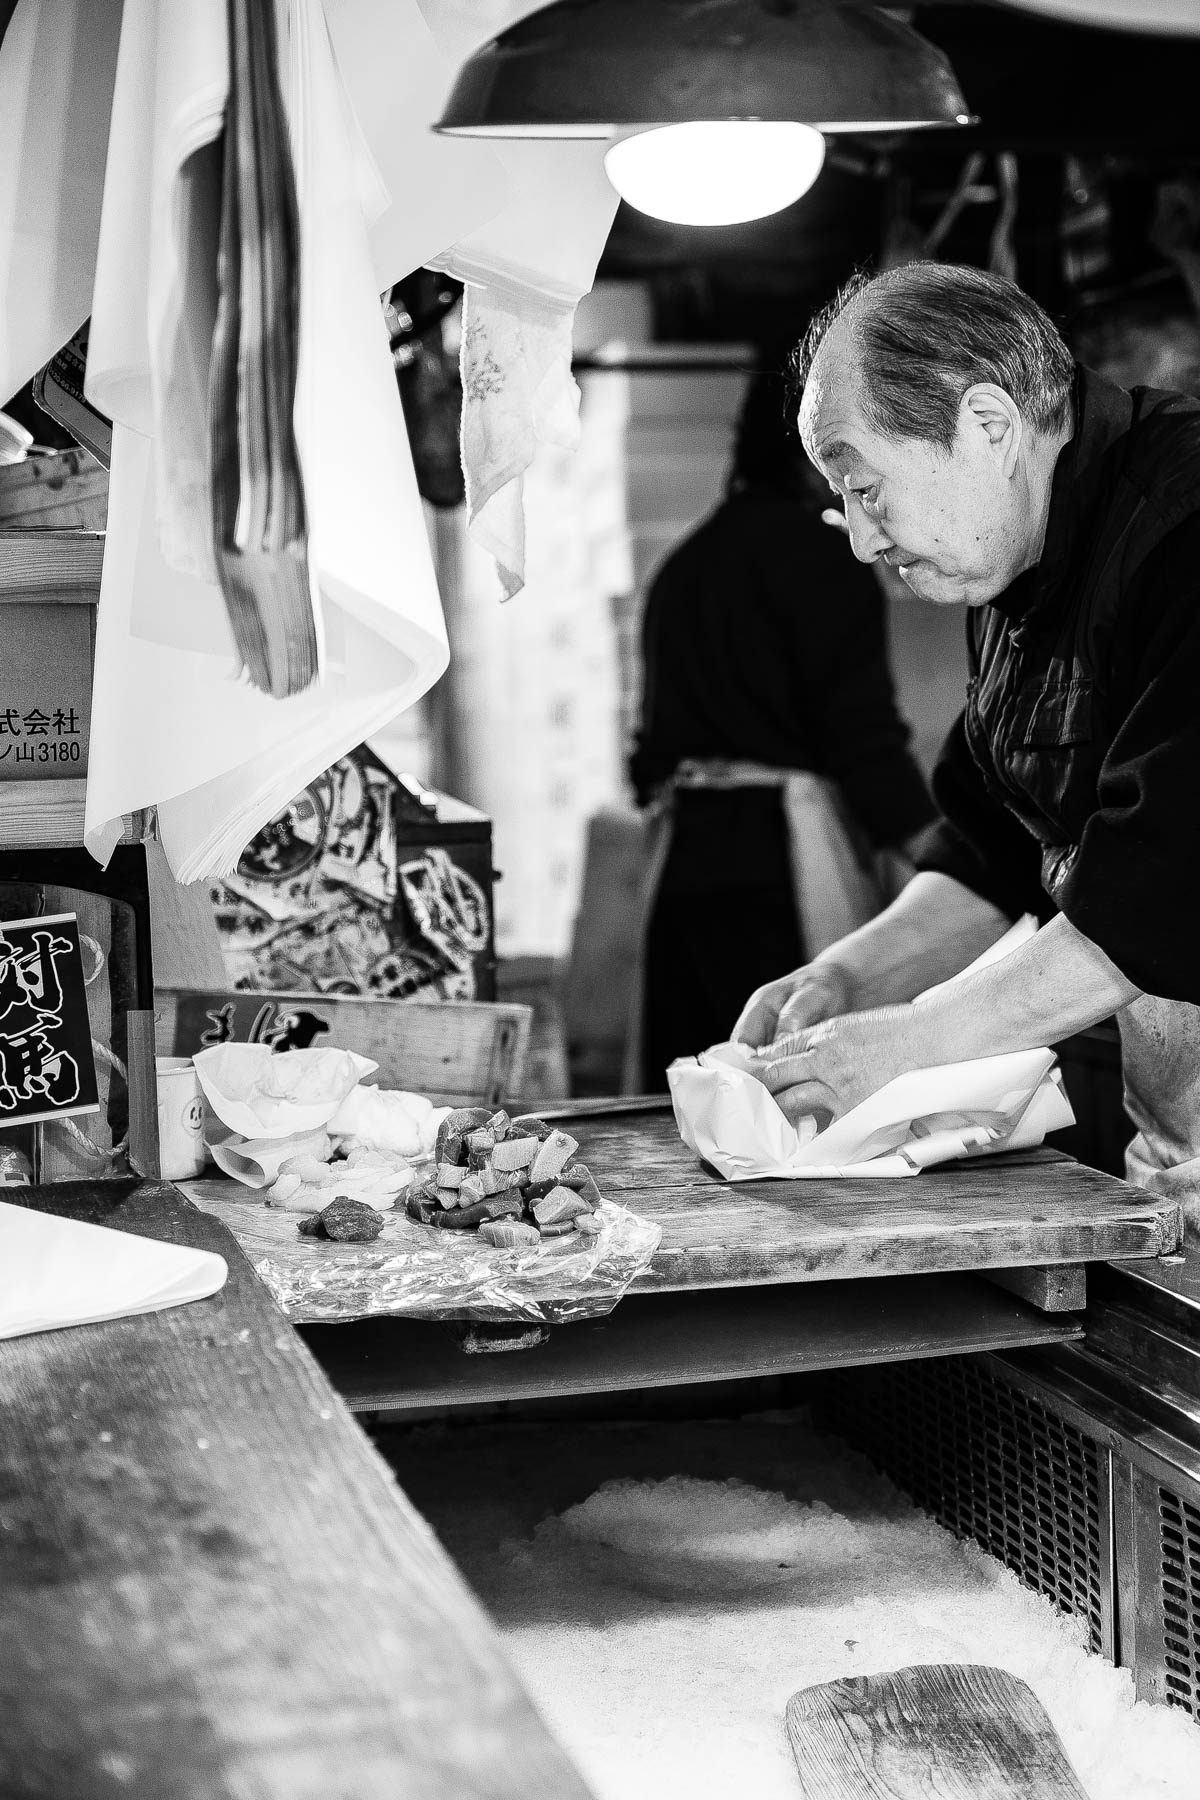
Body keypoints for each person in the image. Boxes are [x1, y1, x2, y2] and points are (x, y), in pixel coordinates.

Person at [733, 261, 1200, 1228]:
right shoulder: (1014, 570)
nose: (861, 541)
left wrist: (914, 1042)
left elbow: (1171, 883)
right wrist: (852, 976)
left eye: (866, 488)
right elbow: (992, 842)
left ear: (987, 426)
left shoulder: (1188, 528)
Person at [629, 367, 936, 1086]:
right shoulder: (824, 559)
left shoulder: (683, 566)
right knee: (793, 1087)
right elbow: (864, 743)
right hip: (782, 872)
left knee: (693, 1090)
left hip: (682, 871)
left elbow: (644, 760)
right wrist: (954, 859)